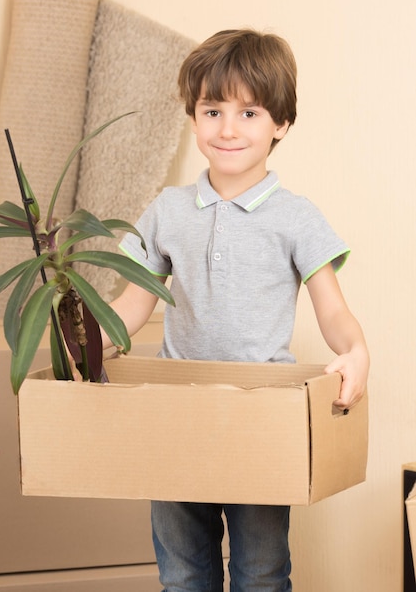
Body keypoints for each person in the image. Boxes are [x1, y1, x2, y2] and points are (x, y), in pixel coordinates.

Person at [104, 29, 369, 591]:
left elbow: (333, 312)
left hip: (263, 420)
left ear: (282, 124)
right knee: (182, 575)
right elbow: (129, 306)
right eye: (212, 109)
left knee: (262, 575)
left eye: (249, 112)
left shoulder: (297, 218)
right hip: (174, 416)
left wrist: (355, 351)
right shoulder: (167, 210)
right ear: (192, 116)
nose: (228, 128)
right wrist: (85, 344)